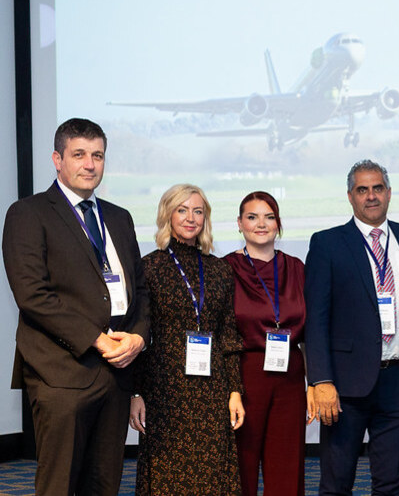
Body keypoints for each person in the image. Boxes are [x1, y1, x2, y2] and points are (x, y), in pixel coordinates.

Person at [2, 118, 149, 496]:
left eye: (97, 155)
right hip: (61, 373)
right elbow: (33, 295)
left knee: (104, 483)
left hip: (116, 374)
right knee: (60, 485)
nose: (90, 164)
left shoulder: (119, 217)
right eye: (79, 154)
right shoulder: (28, 213)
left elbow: (140, 291)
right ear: (58, 159)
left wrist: (137, 338)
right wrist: (98, 340)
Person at [305, 160, 399, 496]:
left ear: (388, 193)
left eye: (377, 188)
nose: (371, 196)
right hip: (344, 384)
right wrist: (320, 380)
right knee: (337, 482)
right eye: (362, 190)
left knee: (392, 482)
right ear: (350, 196)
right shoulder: (327, 243)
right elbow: (316, 319)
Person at [130, 184, 245, 496]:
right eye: (182, 210)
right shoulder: (148, 267)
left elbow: (228, 335)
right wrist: (135, 393)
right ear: (168, 214)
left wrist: (235, 391)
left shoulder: (220, 270)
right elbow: (139, 335)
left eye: (198, 211)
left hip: (212, 390)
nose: (191, 218)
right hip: (164, 390)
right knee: (166, 477)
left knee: (213, 475)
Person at [225, 191, 311, 496]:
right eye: (252, 217)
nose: (261, 224)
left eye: (269, 217)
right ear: (239, 223)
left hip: (290, 375)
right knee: (241, 464)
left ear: (278, 223)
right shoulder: (225, 269)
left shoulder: (297, 268)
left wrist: (314, 382)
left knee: (287, 465)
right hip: (244, 375)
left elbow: (311, 330)